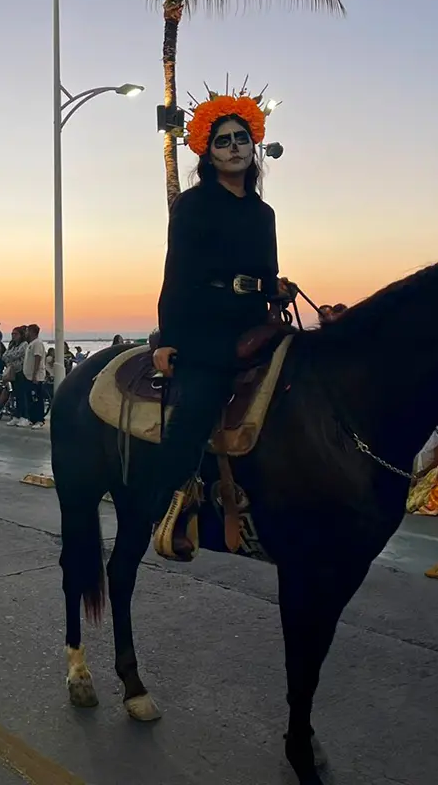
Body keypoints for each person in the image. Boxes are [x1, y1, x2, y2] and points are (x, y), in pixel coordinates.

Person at [148, 90, 294, 560]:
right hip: (206, 326)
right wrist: (167, 339)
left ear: (254, 147)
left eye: (242, 138)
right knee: (197, 406)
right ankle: (168, 505)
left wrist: (278, 291)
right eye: (223, 140)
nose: (234, 146)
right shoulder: (193, 206)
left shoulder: (263, 212)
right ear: (208, 152)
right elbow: (177, 272)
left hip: (257, 320)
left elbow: (267, 269)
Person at [22, 324, 46, 429]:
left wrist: (35, 375)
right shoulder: (30, 344)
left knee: (37, 398)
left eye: (27, 331)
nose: (26, 333)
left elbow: (38, 358)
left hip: (36, 377)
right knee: (30, 398)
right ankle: (32, 418)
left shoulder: (37, 343)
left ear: (32, 332)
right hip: (28, 376)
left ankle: (39, 420)